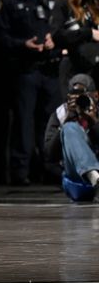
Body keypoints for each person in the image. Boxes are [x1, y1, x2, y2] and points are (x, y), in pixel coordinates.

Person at [0, 0, 61, 185]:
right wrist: (23, 44)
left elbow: (63, 28)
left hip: (50, 69)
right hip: (25, 70)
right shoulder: (10, 2)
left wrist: (56, 41)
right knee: (23, 122)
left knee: (49, 121)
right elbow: (0, 37)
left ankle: (50, 168)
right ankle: (20, 172)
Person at [43, 73, 99, 203]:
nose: (80, 101)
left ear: (96, 96)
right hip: (77, 179)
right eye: (76, 97)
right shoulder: (61, 114)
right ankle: (93, 176)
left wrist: (94, 122)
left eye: (83, 97)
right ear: (69, 98)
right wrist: (66, 122)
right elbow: (49, 155)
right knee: (69, 128)